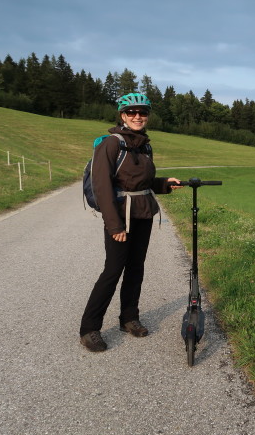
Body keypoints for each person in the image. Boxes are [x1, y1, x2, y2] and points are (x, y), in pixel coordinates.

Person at [80, 93, 182, 352]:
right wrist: (114, 226)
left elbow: (143, 183)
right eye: (132, 112)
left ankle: (129, 318)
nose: (138, 116)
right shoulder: (112, 144)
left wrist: (164, 183)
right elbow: (102, 187)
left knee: (136, 267)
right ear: (123, 115)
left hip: (143, 213)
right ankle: (89, 328)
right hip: (120, 217)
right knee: (113, 270)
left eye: (143, 112)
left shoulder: (145, 145)